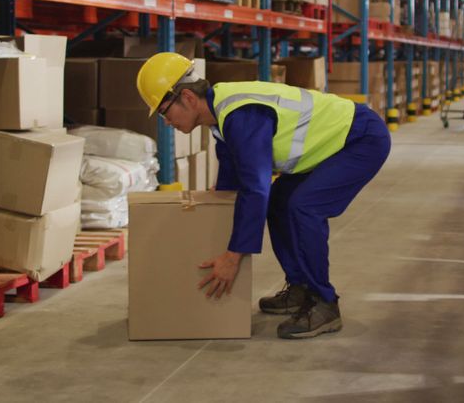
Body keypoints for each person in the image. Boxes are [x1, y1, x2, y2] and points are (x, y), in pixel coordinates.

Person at [135, 52, 391, 339]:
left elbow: (256, 189)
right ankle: (300, 287)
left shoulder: (241, 115)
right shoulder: (221, 119)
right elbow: (234, 182)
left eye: (163, 111)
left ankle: (324, 303)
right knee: (280, 203)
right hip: (337, 144)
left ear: (188, 98)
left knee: (303, 206)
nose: (166, 122)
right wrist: (216, 206)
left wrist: (234, 256)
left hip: (360, 139)